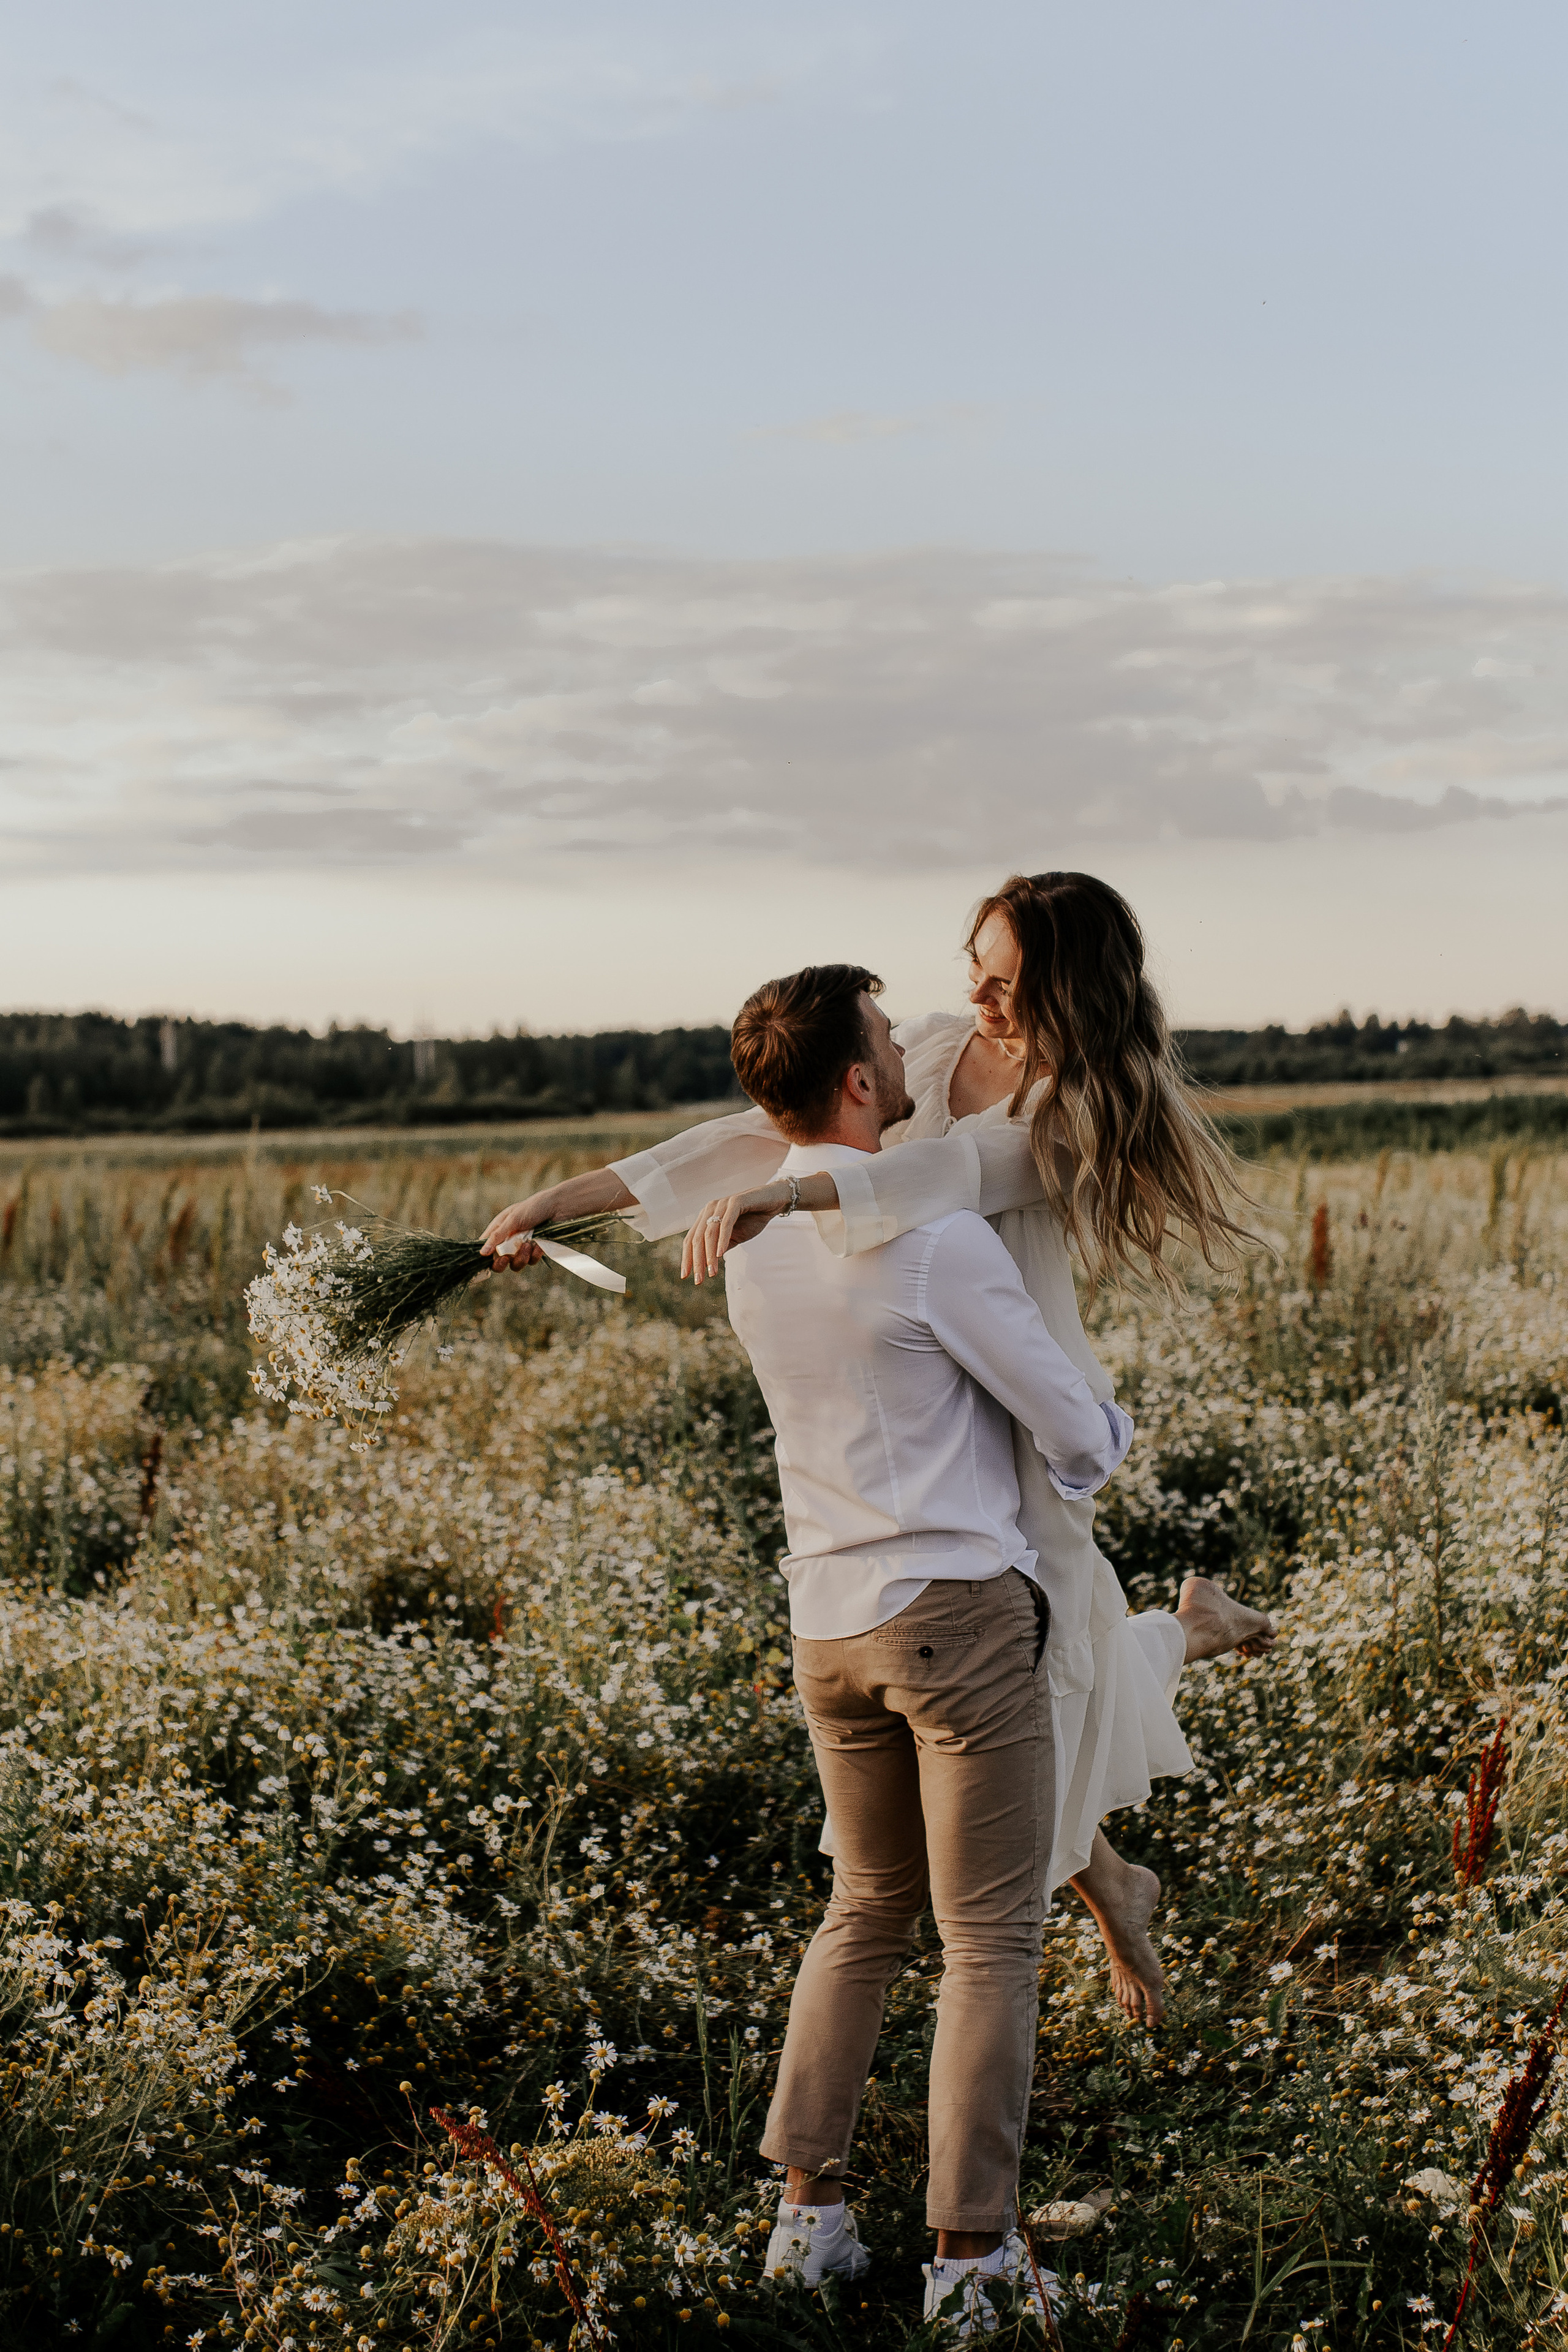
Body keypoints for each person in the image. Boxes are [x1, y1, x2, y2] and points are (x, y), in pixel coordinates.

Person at [481, 872, 1274, 2027]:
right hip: (913, 1386)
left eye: (1006, 981)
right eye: (977, 968)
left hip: (1018, 1392)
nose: (977, 995)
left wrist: (795, 1199)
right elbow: (746, 1134)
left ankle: (1162, 1707)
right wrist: (564, 1201)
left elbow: (946, 1176)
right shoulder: (942, 1045)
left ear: (1068, 986)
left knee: (1051, 1671)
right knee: (1020, 1688)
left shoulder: (1081, 1104)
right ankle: (1119, 1857)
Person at [662, 960, 1131, 2332]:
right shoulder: (934, 1242)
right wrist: (1097, 1441)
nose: (911, 1035)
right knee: (988, 1938)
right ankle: (970, 2261)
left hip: (825, 1624)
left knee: (862, 1916)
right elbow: (1069, 1427)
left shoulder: (753, 1245)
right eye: (885, 1030)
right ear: (861, 1081)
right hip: (951, 1620)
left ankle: (804, 2224)